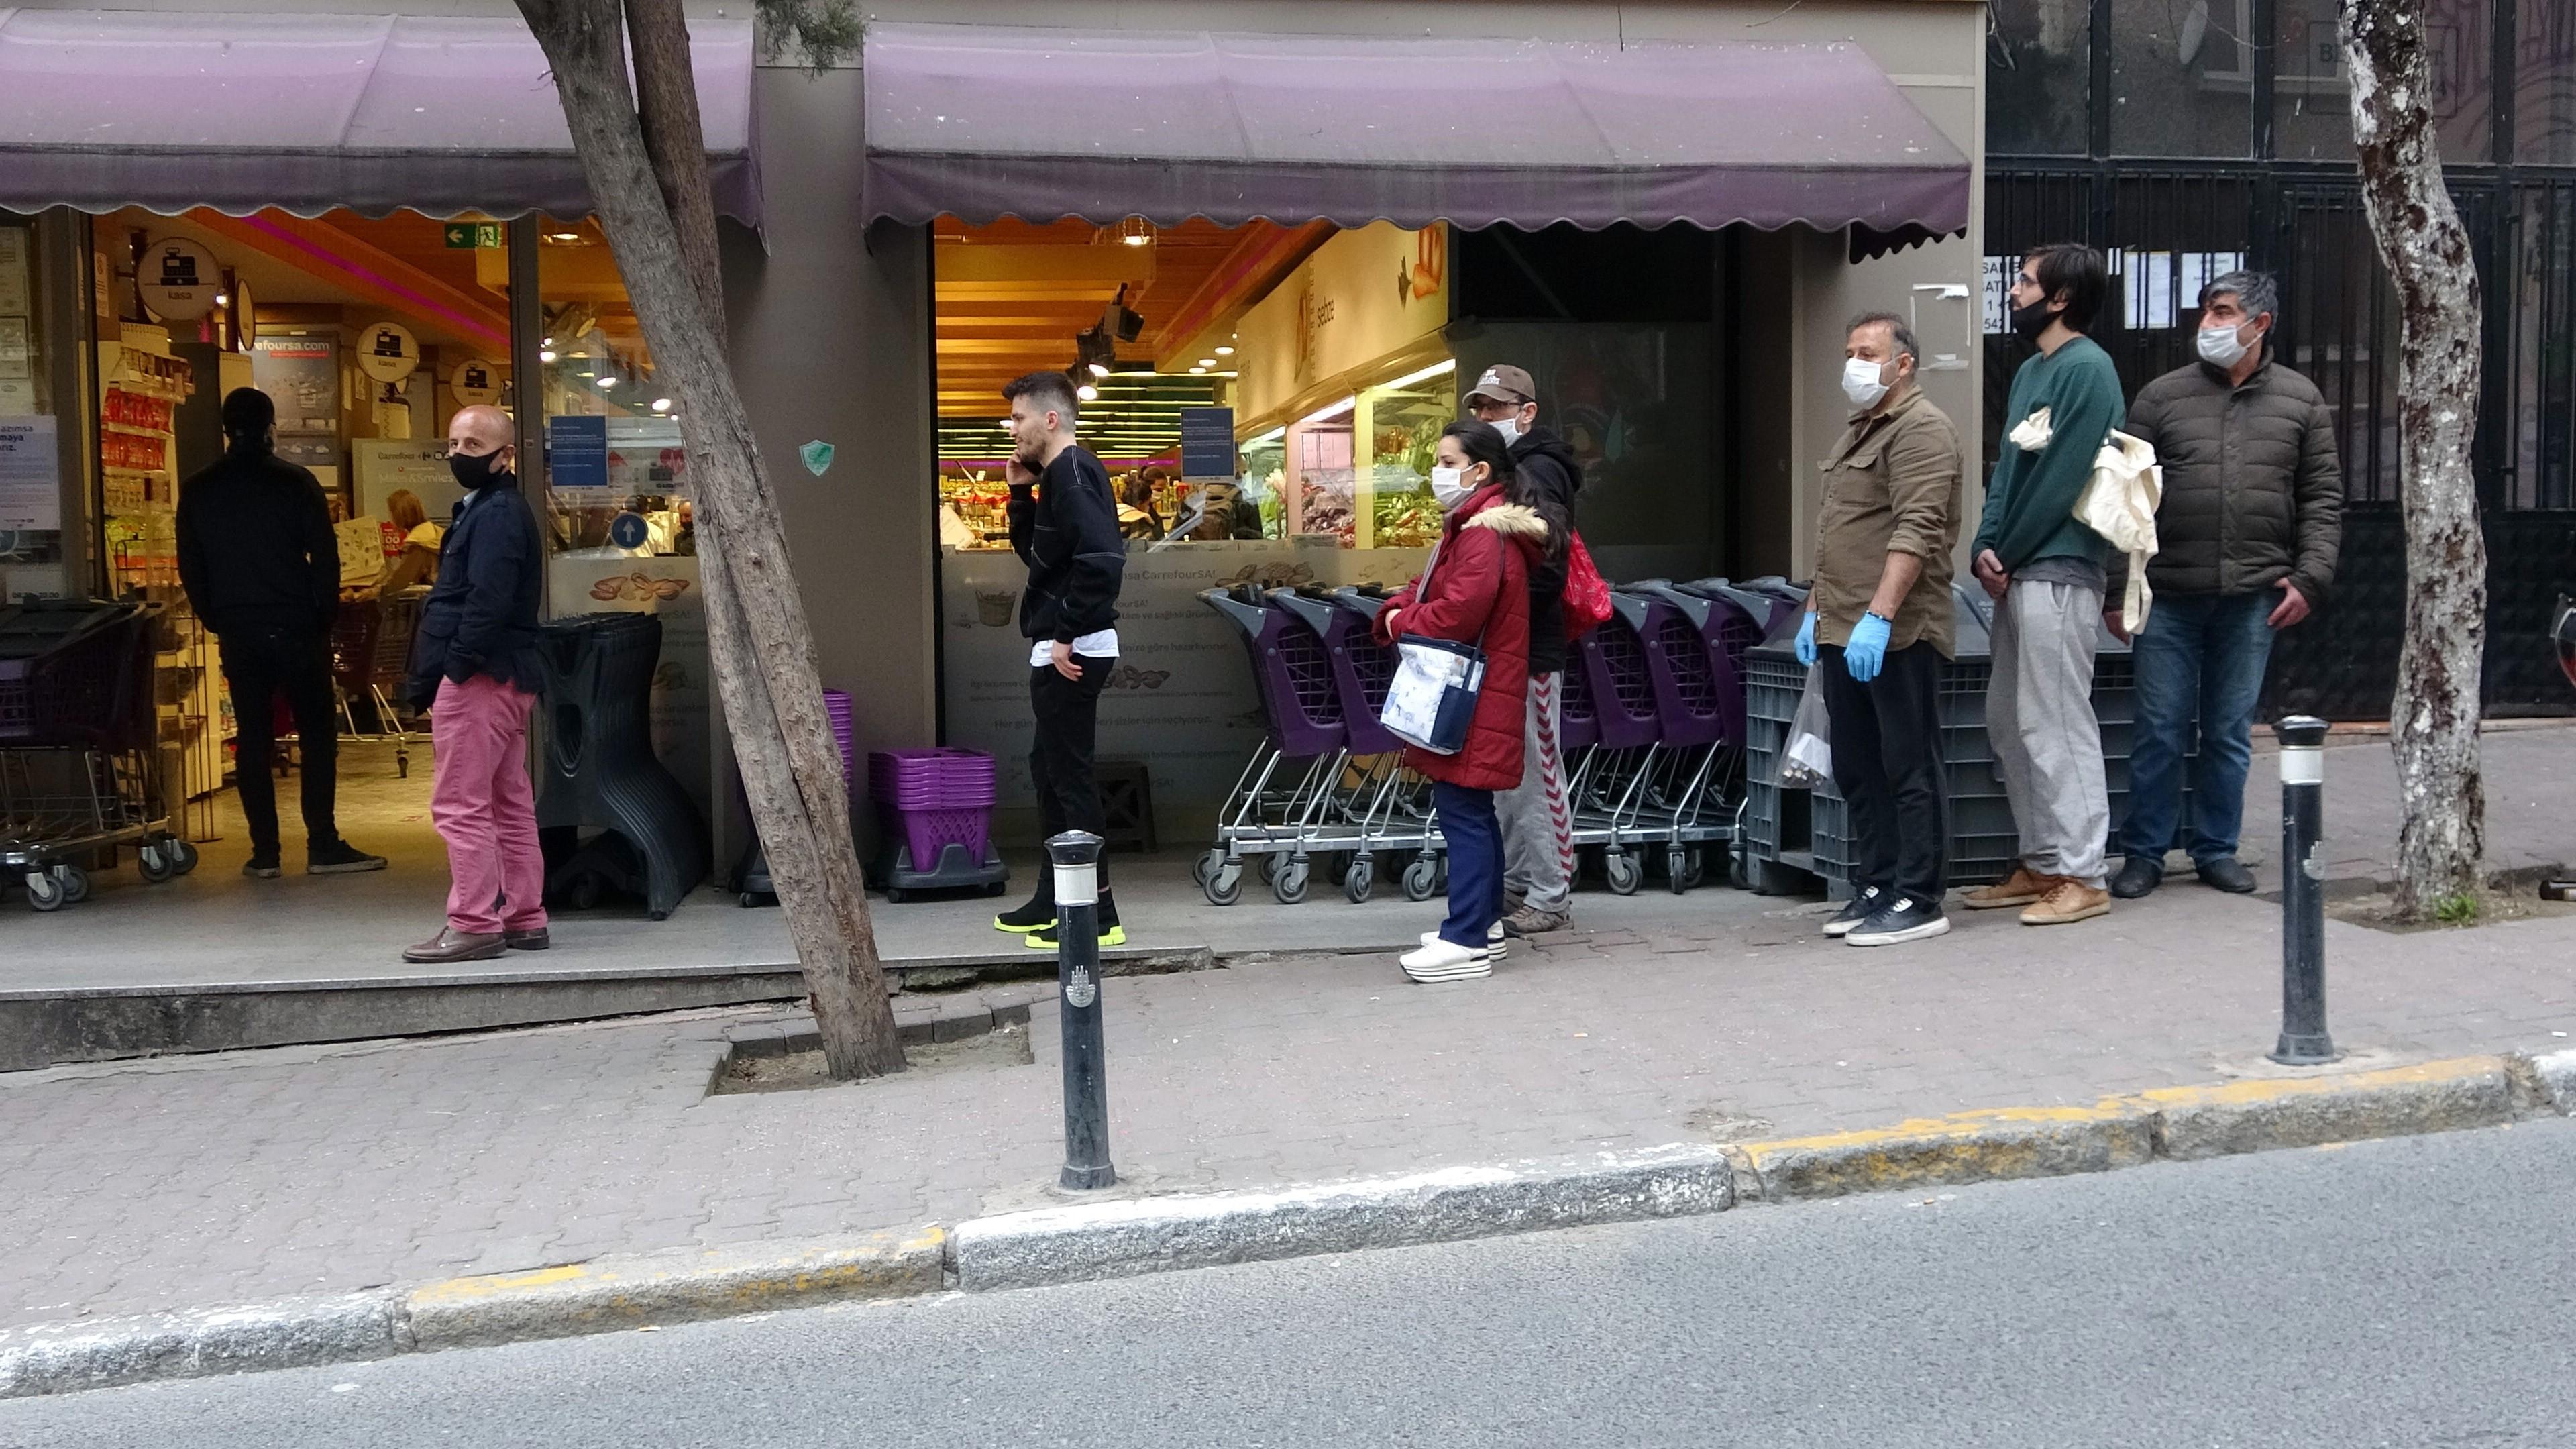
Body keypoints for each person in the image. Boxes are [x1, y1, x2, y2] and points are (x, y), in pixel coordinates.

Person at [2109, 270, 2343, 899]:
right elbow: (2123, 500)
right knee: (2158, 728)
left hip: (2255, 596)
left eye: (2222, 313)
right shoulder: (2160, 398)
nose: (2208, 325)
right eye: (2207, 312)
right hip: (2168, 596)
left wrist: (2310, 578)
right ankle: (2145, 854)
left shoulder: (2300, 400)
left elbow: (2322, 497)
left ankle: (2216, 849)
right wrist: (2117, 591)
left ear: (2259, 324)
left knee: (2230, 731)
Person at [1963, 242, 2126, 927]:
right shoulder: (2035, 369)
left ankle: (2084, 874)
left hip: (2058, 569)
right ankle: (2045, 861)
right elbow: (2008, 472)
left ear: (2060, 298)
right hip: (2023, 568)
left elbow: (2063, 478)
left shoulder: (2089, 369)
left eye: (2025, 283)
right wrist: (1984, 547)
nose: (2014, 292)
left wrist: (2007, 549)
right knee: (2011, 719)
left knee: (2055, 719)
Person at [1798, 313, 1965, 947]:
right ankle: (1878, 881)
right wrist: (1817, 609)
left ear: (1904, 365)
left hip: (1895, 630)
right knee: (1858, 763)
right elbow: (1839, 535)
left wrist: (1880, 615)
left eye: (1868, 353)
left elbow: (1916, 529)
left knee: (1908, 763)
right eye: (1850, 352)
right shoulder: (1859, 431)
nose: (1854, 364)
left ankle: (1920, 895)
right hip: (1843, 623)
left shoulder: (1922, 430)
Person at [175, 387, 384, 880]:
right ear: (272, 427)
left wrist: (214, 616)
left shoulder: (200, 488)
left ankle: (264, 852)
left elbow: (192, 565)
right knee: (317, 733)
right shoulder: (295, 482)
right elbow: (325, 556)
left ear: (226, 429)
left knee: (253, 738)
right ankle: (322, 843)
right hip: (295, 623)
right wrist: (323, 614)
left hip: (238, 627)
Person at [1373, 421, 1549, 984]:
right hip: (1481, 689)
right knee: (1472, 811)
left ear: (1480, 471)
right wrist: (1407, 603)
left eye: (1449, 461)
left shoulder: (1481, 534)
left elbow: (1455, 615)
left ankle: (1466, 938)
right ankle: (1486, 926)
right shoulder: (1476, 528)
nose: (1439, 471)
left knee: (1463, 811)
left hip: (1469, 693)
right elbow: (1437, 591)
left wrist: (1402, 619)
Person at [401, 404, 547, 963]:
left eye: (473, 446)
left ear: (505, 455)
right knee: (507, 801)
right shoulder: (492, 509)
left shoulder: (496, 515)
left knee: (460, 805)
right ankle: (524, 916)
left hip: (482, 679)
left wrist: (455, 667)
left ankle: (473, 922)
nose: (458, 454)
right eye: (455, 443)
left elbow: (486, 600)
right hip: (505, 674)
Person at [989, 371, 1128, 950]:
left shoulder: (1072, 472)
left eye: (1019, 418)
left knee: (1068, 777)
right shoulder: (1067, 475)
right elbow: (1043, 560)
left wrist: (1067, 634)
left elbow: (1102, 560)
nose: (1012, 429)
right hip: (1066, 645)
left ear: (1051, 419)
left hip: (1072, 649)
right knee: (1050, 770)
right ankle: (1055, 900)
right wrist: (1021, 495)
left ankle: (1096, 915)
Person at [1464, 364, 1582, 938]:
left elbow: (1547, 559)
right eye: (1480, 408)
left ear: (1527, 411)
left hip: (1531, 642)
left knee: (1537, 771)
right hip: (1511, 643)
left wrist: (1504, 610)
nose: (1486, 417)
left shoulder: (1540, 470)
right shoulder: (1515, 469)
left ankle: (1550, 891)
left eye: (1496, 406)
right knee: (1511, 772)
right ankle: (1519, 880)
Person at [360, 488, 443, 597]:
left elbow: (400, 581)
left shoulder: (417, 543)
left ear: (397, 515)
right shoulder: (436, 532)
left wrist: (372, 593)